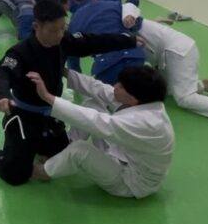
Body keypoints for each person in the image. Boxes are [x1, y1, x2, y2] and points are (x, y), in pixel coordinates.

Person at [0, 0, 140, 186]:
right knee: (16, 175)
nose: (60, 34)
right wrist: (0, 96)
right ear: (36, 26)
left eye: (63, 28)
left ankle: (39, 148)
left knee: (62, 158)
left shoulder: (63, 40)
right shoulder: (20, 52)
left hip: (50, 116)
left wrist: (129, 40)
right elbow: (2, 73)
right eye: (54, 30)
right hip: (24, 117)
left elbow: (92, 42)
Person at [28, 66, 175, 199]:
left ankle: (42, 172)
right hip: (123, 155)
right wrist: (64, 71)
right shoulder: (146, 101)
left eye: (121, 86)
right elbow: (99, 89)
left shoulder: (148, 124)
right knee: (93, 103)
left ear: (133, 98)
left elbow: (94, 121)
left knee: (79, 150)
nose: (115, 87)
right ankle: (63, 148)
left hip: (130, 182)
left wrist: (47, 97)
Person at [123, 3, 208, 131]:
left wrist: (128, 16)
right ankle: (202, 85)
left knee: (184, 98)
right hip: (170, 53)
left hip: (179, 52)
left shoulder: (125, 17)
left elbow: (129, 6)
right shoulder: (124, 27)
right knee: (165, 89)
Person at [66, 0, 146, 84]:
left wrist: (77, 80)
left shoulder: (74, 22)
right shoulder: (114, 5)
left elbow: (72, 56)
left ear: (76, 0)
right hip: (135, 54)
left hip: (107, 64)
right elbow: (136, 24)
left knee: (109, 93)